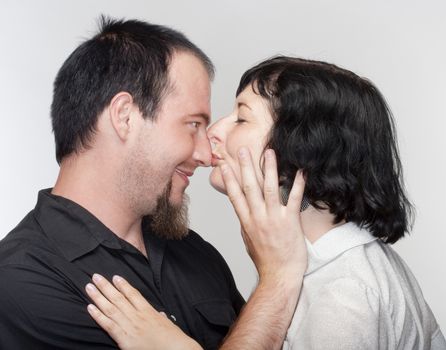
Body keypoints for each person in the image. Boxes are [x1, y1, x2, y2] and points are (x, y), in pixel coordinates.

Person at [86, 56, 446, 349]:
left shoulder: (342, 296)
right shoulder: (326, 268)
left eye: (242, 117)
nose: (213, 131)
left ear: (303, 149)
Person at [0, 18, 306, 350]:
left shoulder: (193, 252)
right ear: (125, 117)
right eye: (192, 124)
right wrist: (277, 279)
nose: (206, 154)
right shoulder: (22, 281)